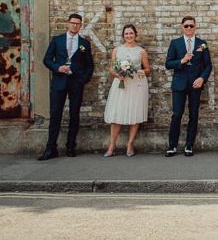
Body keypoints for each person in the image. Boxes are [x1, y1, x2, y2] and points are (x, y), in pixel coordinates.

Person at [38, 13, 94, 160]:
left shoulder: (84, 43)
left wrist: (83, 79)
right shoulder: (57, 40)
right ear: (68, 24)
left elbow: (90, 65)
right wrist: (57, 68)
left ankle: (70, 147)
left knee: (74, 115)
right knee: (55, 115)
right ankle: (50, 149)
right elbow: (47, 59)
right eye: (72, 23)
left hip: (76, 83)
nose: (75, 25)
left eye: (78, 23)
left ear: (80, 26)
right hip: (59, 82)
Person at [165, 16, 212, 156]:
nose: (189, 28)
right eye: (186, 26)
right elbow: (168, 64)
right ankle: (172, 146)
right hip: (179, 84)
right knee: (177, 115)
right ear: (182, 27)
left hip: (195, 84)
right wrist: (182, 60)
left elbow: (208, 65)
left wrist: (202, 78)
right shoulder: (175, 43)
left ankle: (189, 146)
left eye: (191, 26)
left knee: (193, 115)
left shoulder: (202, 44)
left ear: (195, 26)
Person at [103, 23, 151, 157]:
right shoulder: (117, 50)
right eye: (126, 34)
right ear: (123, 36)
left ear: (135, 34)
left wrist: (142, 71)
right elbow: (111, 68)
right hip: (121, 83)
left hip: (136, 84)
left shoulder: (141, 51)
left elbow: (148, 69)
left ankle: (130, 144)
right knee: (116, 114)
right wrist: (118, 74)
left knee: (135, 113)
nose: (129, 36)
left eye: (131, 33)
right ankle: (112, 145)